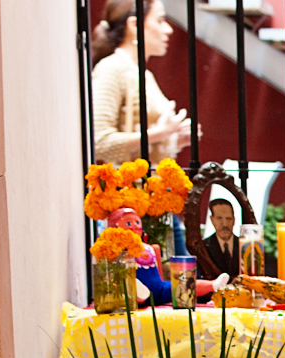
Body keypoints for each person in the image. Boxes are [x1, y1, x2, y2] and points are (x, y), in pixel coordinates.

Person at [90, 0, 193, 165]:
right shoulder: (112, 69)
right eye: (159, 21)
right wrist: (162, 132)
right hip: (127, 188)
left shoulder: (143, 74)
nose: (168, 29)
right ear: (134, 25)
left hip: (149, 187)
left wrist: (176, 139)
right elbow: (99, 142)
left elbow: (141, 146)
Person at [201, 199, 239, 280]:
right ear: (212, 220)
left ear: (234, 220)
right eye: (219, 218)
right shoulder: (203, 247)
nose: (225, 224)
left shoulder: (244, 246)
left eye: (228, 218)